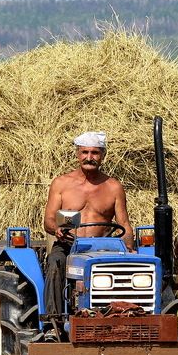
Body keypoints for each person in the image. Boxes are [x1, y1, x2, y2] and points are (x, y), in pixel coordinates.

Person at [42, 131, 134, 330]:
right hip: (69, 245)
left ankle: (126, 315)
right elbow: (48, 219)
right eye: (85, 152)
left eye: (95, 153)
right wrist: (56, 229)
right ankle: (53, 322)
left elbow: (124, 224)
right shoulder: (62, 184)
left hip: (103, 247)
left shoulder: (113, 186)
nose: (89, 157)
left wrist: (129, 247)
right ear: (77, 154)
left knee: (130, 266)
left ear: (103, 155)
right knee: (55, 262)